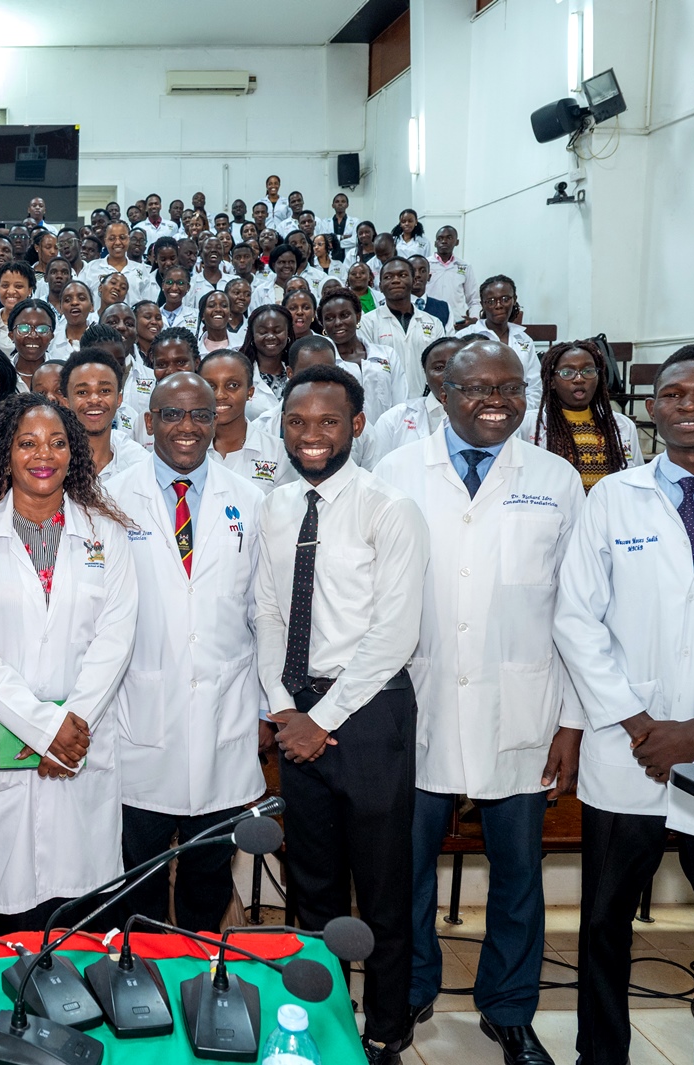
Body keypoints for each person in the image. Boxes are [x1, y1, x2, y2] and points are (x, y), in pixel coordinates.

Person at [554, 344, 694, 1065]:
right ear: (651, 409)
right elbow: (575, 618)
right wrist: (638, 722)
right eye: (674, 394)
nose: (690, 405)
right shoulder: (611, 497)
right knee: (602, 926)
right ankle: (603, 1056)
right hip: (630, 751)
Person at [374, 341, 586, 1064]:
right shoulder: (396, 471)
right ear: (444, 392)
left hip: (523, 705)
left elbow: (576, 607)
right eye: (475, 387)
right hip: (417, 706)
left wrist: (571, 720)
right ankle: (404, 996)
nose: (494, 398)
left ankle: (509, 1009)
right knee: (403, 871)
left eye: (509, 385)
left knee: (520, 873)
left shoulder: (556, 479)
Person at [252, 364, 429, 1064]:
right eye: (298, 422)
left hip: (370, 712)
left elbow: (396, 632)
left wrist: (321, 717)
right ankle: (325, 1017)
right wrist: (286, 705)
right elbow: (267, 610)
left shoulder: (390, 506)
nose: (312, 435)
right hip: (299, 714)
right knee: (314, 884)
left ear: (357, 425)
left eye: (328, 422)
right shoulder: (275, 506)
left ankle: (387, 1024)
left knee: (382, 883)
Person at [0, 391, 139, 934]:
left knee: (86, 919)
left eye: (55, 442)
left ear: (75, 453)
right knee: (6, 919)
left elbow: (115, 639)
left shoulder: (106, 535)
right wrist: (47, 728)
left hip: (83, 740)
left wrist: (71, 725)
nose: (41, 454)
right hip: (13, 740)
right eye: (26, 443)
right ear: (6, 453)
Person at [107, 372, 268, 934]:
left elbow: (261, 613)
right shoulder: (109, 499)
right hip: (136, 719)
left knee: (209, 873)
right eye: (172, 414)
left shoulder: (249, 500)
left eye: (200, 414)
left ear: (216, 420)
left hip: (224, 714)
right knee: (138, 877)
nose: (187, 426)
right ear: (148, 423)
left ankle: (201, 980)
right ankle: (142, 983)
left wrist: (268, 710)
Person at [520, 341, 644, 491]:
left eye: (588, 371)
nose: (579, 379)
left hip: (606, 511)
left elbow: (635, 478)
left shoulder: (622, 425)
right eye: (567, 373)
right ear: (552, 382)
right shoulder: (529, 424)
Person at [359, 258, 448, 406]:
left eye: (402, 275)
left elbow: (442, 367)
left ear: (414, 281)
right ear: (380, 286)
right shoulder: (367, 323)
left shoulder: (433, 323)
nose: (395, 280)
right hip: (384, 407)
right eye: (388, 277)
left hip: (426, 403)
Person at [201, 349, 288, 492]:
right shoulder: (188, 449)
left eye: (232, 385)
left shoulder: (278, 453)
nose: (220, 395)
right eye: (211, 386)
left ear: (250, 392)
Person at [370, 336, 466, 462]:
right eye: (439, 368)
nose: (448, 374)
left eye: (457, 365)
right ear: (425, 375)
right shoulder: (394, 420)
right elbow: (376, 472)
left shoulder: (489, 416)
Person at [61, 349, 148, 480]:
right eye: (82, 392)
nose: (94, 400)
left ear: (119, 399)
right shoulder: (52, 462)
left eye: (105, 390)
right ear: (66, 402)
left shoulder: (139, 464)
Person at [457, 276, 541, 408]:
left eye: (505, 299)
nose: (499, 305)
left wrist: (519, 413)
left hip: (519, 413)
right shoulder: (464, 337)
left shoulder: (524, 339)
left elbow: (535, 388)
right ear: (483, 304)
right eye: (491, 301)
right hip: (478, 410)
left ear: (514, 300)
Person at [426, 226, 480, 325]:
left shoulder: (465, 266)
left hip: (457, 323)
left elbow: (474, 300)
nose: (444, 241)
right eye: (440, 238)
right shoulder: (425, 265)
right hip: (429, 321)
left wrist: (474, 319)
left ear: (457, 242)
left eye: (449, 238)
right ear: (435, 243)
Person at [408, 256, 451, 328]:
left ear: (429, 276)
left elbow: (449, 338)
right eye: (412, 271)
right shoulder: (396, 306)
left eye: (423, 271)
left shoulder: (444, 307)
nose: (417, 275)